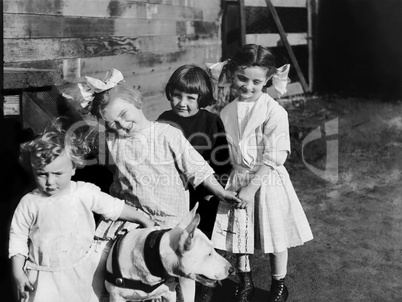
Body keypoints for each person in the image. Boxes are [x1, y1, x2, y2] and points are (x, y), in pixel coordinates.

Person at [77, 69, 241, 302]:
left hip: (169, 217)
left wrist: (220, 191)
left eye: (124, 114)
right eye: (112, 123)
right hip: (132, 218)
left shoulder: (166, 134)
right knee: (107, 261)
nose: (121, 125)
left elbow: (197, 168)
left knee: (182, 267)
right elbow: (118, 173)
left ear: (136, 101)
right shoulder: (112, 141)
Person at [210, 44, 313, 302]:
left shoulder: (274, 111)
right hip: (238, 177)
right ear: (232, 74)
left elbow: (275, 155)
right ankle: (245, 280)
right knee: (239, 234)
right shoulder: (226, 111)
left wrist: (251, 187)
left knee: (274, 234)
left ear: (267, 80)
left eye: (256, 81)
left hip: (265, 180)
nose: (248, 86)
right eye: (242, 79)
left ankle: (279, 284)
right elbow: (225, 150)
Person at [8, 120, 155, 302]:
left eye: (57, 174)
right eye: (42, 174)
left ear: (73, 168)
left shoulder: (84, 192)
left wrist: (144, 219)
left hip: (82, 272)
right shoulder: (30, 202)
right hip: (43, 276)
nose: (50, 182)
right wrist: (18, 273)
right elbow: (18, 239)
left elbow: (114, 207)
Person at [157, 64, 232, 302]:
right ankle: (173, 281)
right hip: (174, 193)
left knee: (204, 239)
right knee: (177, 239)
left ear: (202, 98)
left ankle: (206, 284)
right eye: (177, 96)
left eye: (190, 97)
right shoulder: (164, 121)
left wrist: (213, 191)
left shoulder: (211, 122)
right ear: (170, 94)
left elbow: (222, 160)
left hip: (203, 194)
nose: (182, 102)